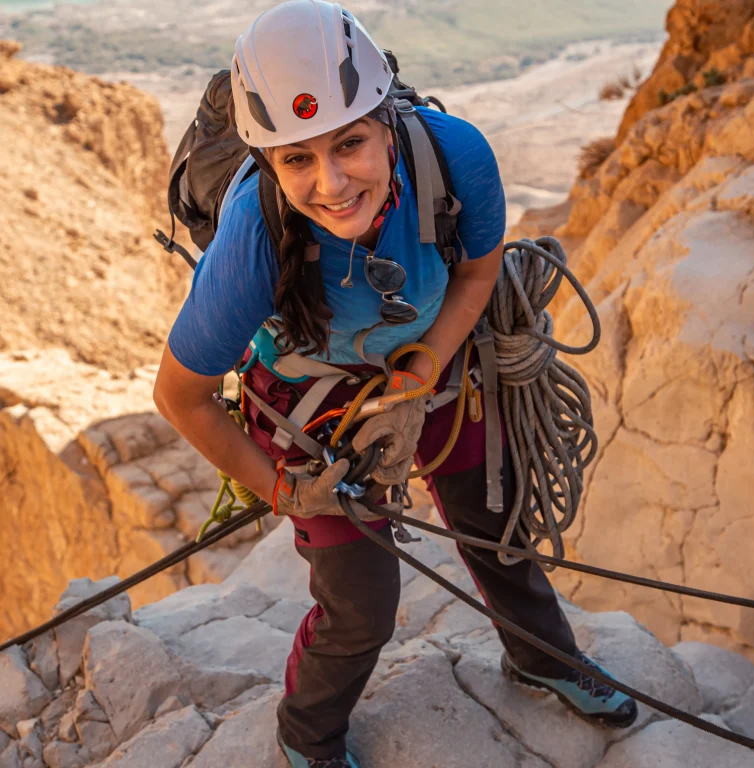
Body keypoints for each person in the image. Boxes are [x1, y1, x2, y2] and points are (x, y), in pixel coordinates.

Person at [153, 2, 638, 766]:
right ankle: (308, 736)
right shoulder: (253, 236)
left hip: (439, 367)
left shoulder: (456, 157)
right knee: (360, 607)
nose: (333, 183)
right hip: (314, 415)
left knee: (495, 528)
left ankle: (543, 657)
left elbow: (479, 271)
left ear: (387, 121)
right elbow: (180, 397)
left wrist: (424, 366)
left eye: (351, 144)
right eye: (297, 160)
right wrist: (285, 491)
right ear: (270, 165)